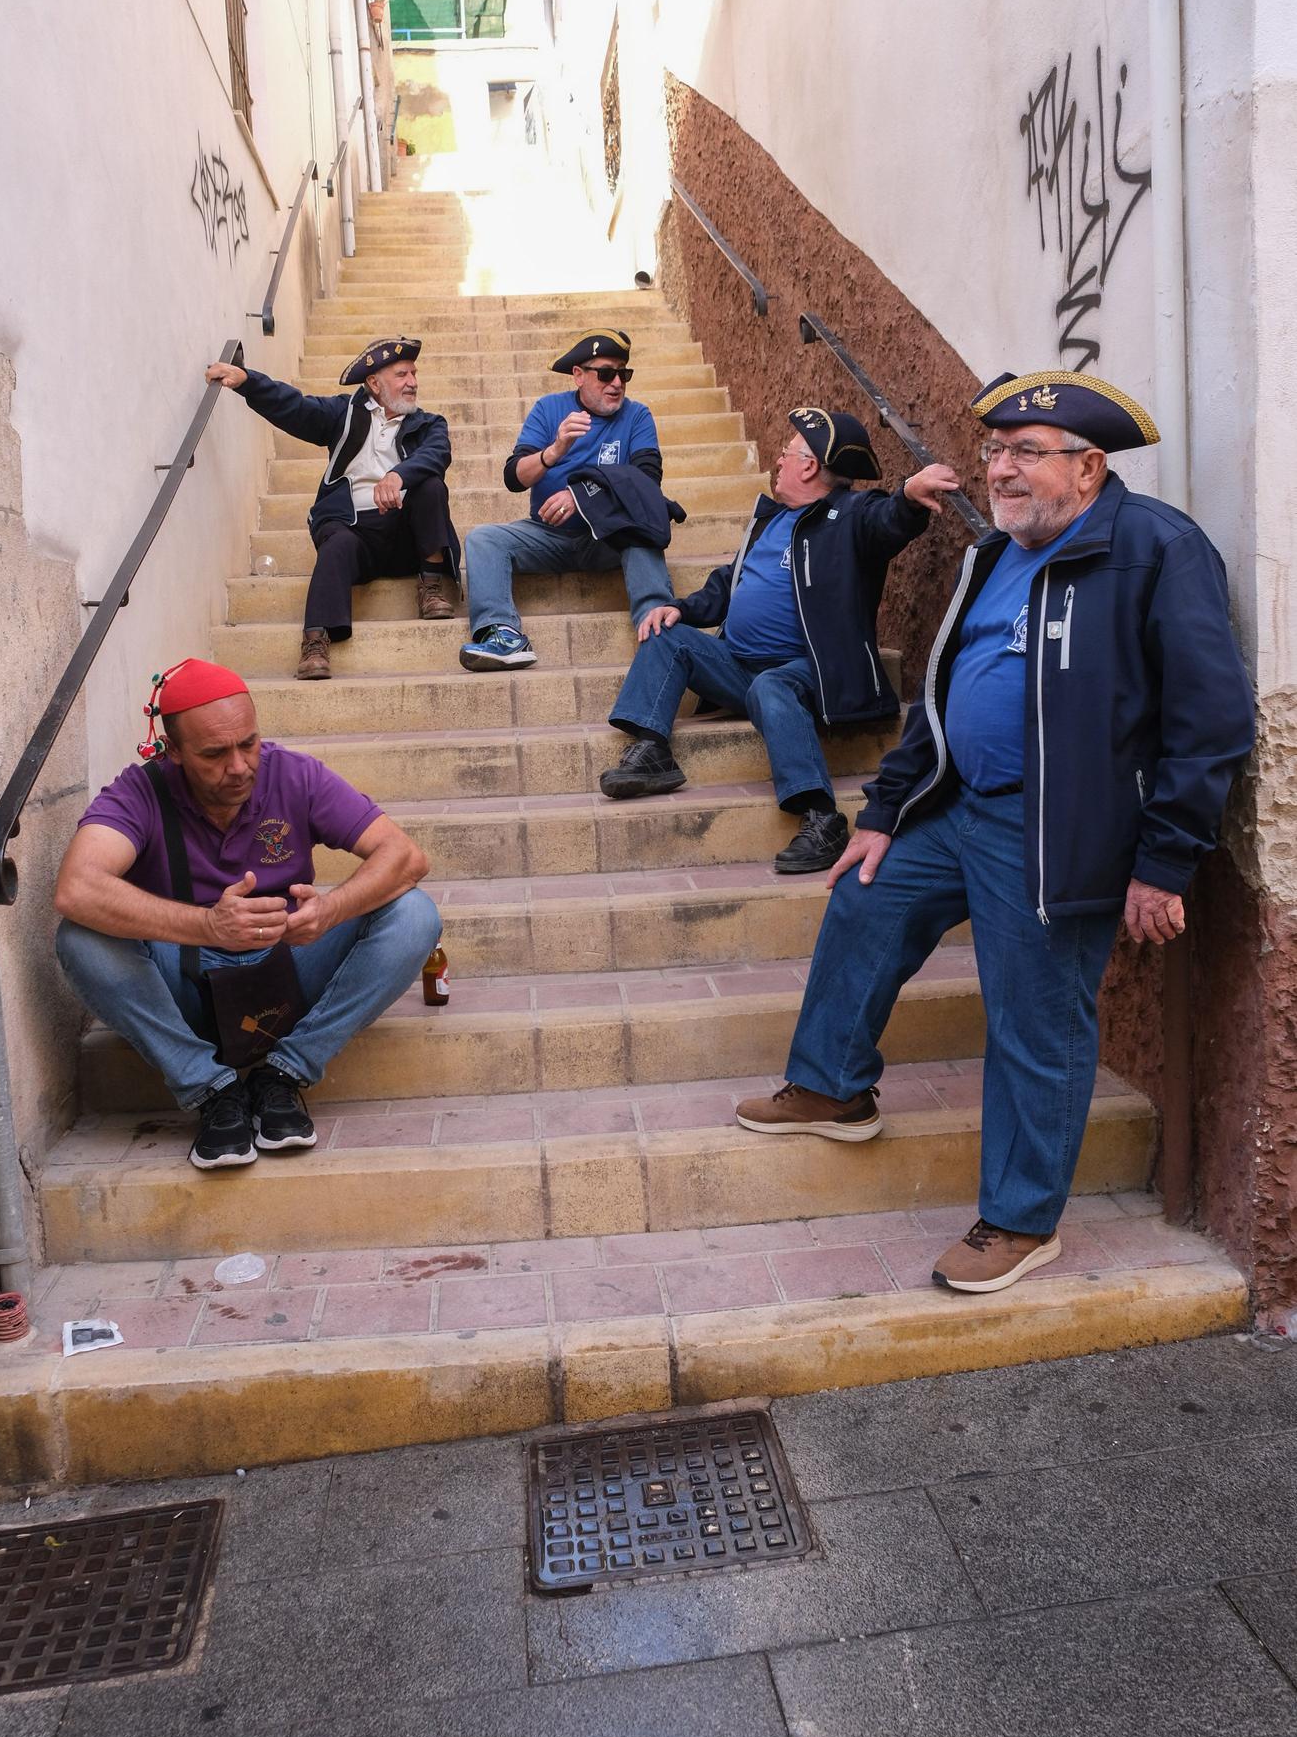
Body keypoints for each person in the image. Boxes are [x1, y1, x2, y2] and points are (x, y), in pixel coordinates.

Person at [736, 372, 1255, 1291]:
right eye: (994, 453)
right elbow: (938, 696)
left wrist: (1165, 862)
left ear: (1089, 468)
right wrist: (887, 810)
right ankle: (833, 1085)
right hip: (957, 806)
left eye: (1026, 453)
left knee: (1034, 1019)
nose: (1001, 471)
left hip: (1059, 832)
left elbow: (1209, 722)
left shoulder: (1155, 550)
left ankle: (1021, 1219)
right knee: (866, 899)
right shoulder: (995, 553)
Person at [54, 658, 440, 1170]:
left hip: (286, 977)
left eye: (249, 744)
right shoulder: (138, 792)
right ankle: (209, 1089)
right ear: (173, 753)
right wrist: (208, 926)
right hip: (185, 988)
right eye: (214, 754)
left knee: (414, 913)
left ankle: (283, 1073)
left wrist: (329, 911)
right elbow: (77, 887)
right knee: (80, 937)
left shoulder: (294, 774)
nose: (238, 767)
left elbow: (406, 857)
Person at [597, 407, 960, 872]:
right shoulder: (769, 518)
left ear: (809, 466)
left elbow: (888, 521)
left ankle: (822, 818)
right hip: (740, 667)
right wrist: (681, 608)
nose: (778, 460)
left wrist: (908, 496)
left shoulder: (850, 515)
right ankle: (652, 752)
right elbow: (729, 582)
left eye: (787, 453)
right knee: (668, 635)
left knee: (772, 687)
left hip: (812, 671)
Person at [205, 336, 461, 681]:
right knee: (337, 543)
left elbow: (437, 455)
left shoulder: (429, 424)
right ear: (374, 382)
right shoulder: (343, 414)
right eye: (402, 374)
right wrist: (249, 382)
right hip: (354, 529)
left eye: (414, 373)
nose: (413, 382)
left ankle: (430, 587)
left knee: (431, 484)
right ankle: (315, 643)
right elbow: (295, 408)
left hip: (406, 534)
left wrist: (398, 475)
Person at [458, 330, 674, 670]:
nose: (616, 382)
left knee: (643, 528)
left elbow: (647, 482)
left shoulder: (637, 417)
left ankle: (659, 629)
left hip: (609, 536)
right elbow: (514, 477)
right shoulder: (549, 409)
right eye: (606, 373)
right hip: (548, 535)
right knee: (483, 539)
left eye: (624, 373)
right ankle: (502, 634)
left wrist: (581, 497)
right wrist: (555, 450)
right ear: (578, 374)